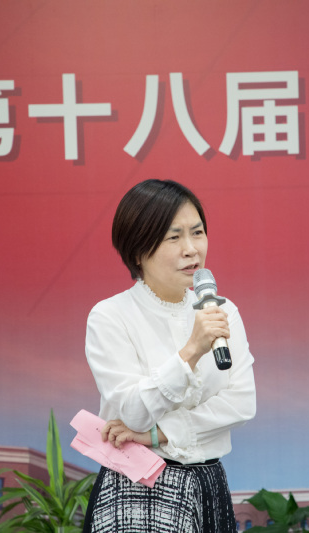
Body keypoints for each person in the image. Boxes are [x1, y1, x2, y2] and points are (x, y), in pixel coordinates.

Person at [82, 179, 256, 533]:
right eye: (173, 237)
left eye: (197, 233)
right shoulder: (110, 316)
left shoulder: (223, 311)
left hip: (208, 482)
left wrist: (158, 433)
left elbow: (241, 403)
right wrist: (191, 351)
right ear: (137, 251)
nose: (191, 249)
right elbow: (132, 412)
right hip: (138, 487)